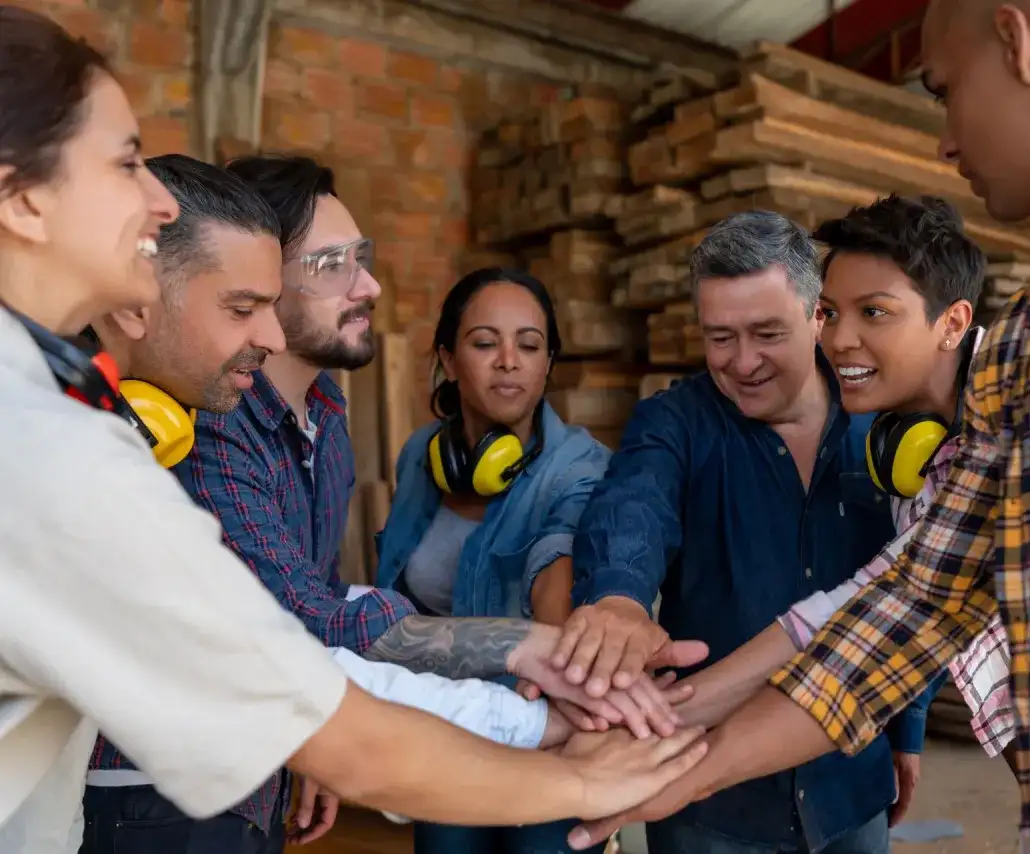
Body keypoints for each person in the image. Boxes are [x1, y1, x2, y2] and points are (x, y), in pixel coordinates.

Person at [573, 1, 1030, 852]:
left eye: (944, 89)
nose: (944, 140)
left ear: (1017, 39)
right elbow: (917, 600)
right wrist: (685, 768)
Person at [0, 8, 708, 854]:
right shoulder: (52, 452)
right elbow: (311, 696)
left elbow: (316, 624)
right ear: (23, 199)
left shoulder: (58, 409)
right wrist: (580, 776)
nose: (158, 198)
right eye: (125, 164)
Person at [77, 153, 584, 853]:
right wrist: (532, 678)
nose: (368, 285)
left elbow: (318, 601)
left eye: (361, 259)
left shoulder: (326, 414)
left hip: (259, 762)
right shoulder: (205, 422)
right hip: (161, 785)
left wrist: (312, 743)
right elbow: (302, 623)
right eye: (331, 265)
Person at [565, 195, 1018, 851]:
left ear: (812, 318)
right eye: (721, 337)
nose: (743, 361)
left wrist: (907, 729)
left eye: (768, 334)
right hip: (719, 809)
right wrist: (618, 601)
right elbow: (632, 508)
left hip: (849, 779)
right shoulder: (678, 422)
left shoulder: (929, 420)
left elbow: (898, 603)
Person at [375, 266, 664, 854]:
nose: (509, 361)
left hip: (546, 732)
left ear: (548, 362)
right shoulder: (419, 457)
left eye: (529, 346)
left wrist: (557, 655)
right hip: (443, 730)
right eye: (485, 343)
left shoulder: (580, 467)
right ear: (448, 359)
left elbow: (556, 565)